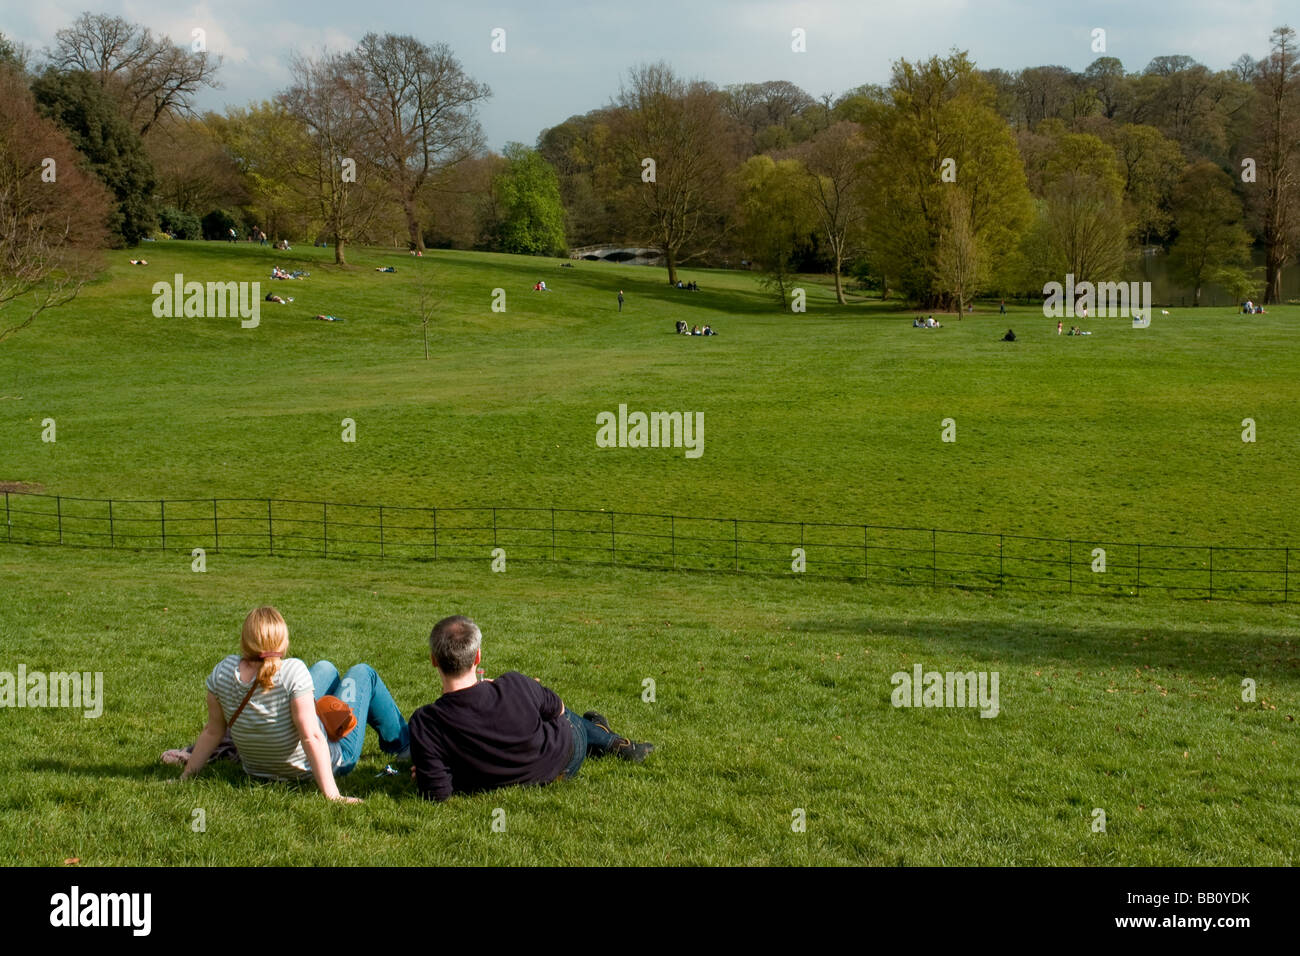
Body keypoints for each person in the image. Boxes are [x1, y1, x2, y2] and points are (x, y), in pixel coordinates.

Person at [170, 606, 409, 802]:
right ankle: (404, 746)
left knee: (325, 667)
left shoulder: (221, 672)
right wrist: (333, 795)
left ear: (244, 641)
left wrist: (186, 776)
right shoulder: (293, 670)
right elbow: (311, 737)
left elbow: (213, 731)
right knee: (362, 672)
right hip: (309, 767)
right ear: (282, 642)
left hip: (255, 769)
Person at [407, 616, 653, 802]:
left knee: (542, 706)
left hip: (520, 773)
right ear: (478, 657)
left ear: (433, 660)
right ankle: (613, 741)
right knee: (562, 715)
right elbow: (559, 710)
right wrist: (526, 694)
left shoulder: (425, 722)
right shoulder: (514, 684)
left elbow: (436, 792)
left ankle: (604, 734)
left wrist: (442, 770)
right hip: (561, 764)